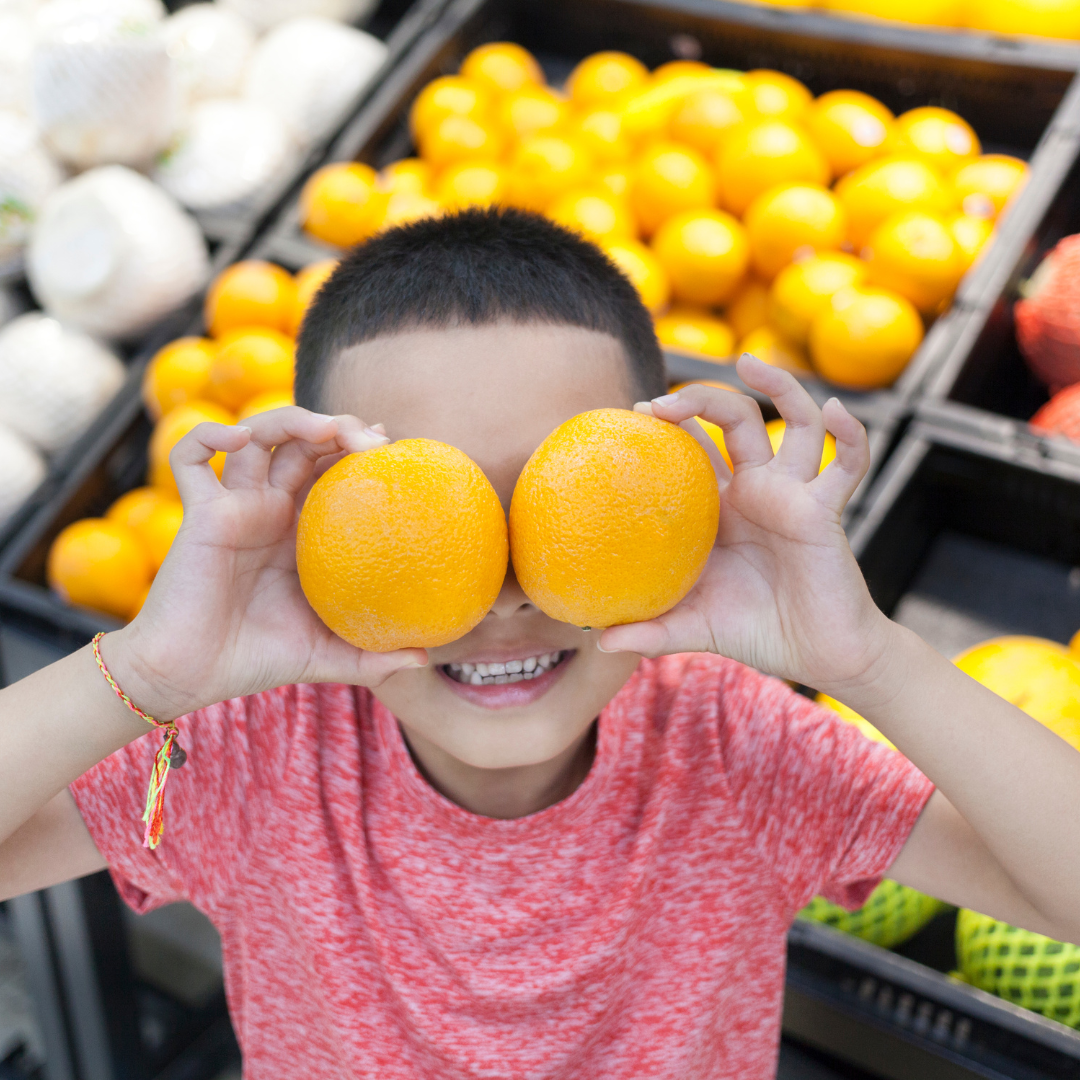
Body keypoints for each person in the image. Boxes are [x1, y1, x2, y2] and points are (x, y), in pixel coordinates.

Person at [2, 208, 1079, 1080]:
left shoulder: (735, 745)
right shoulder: (252, 754)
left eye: (570, 508)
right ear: (316, 528)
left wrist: (867, 662)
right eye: (430, 519)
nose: (508, 595)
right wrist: (147, 671)